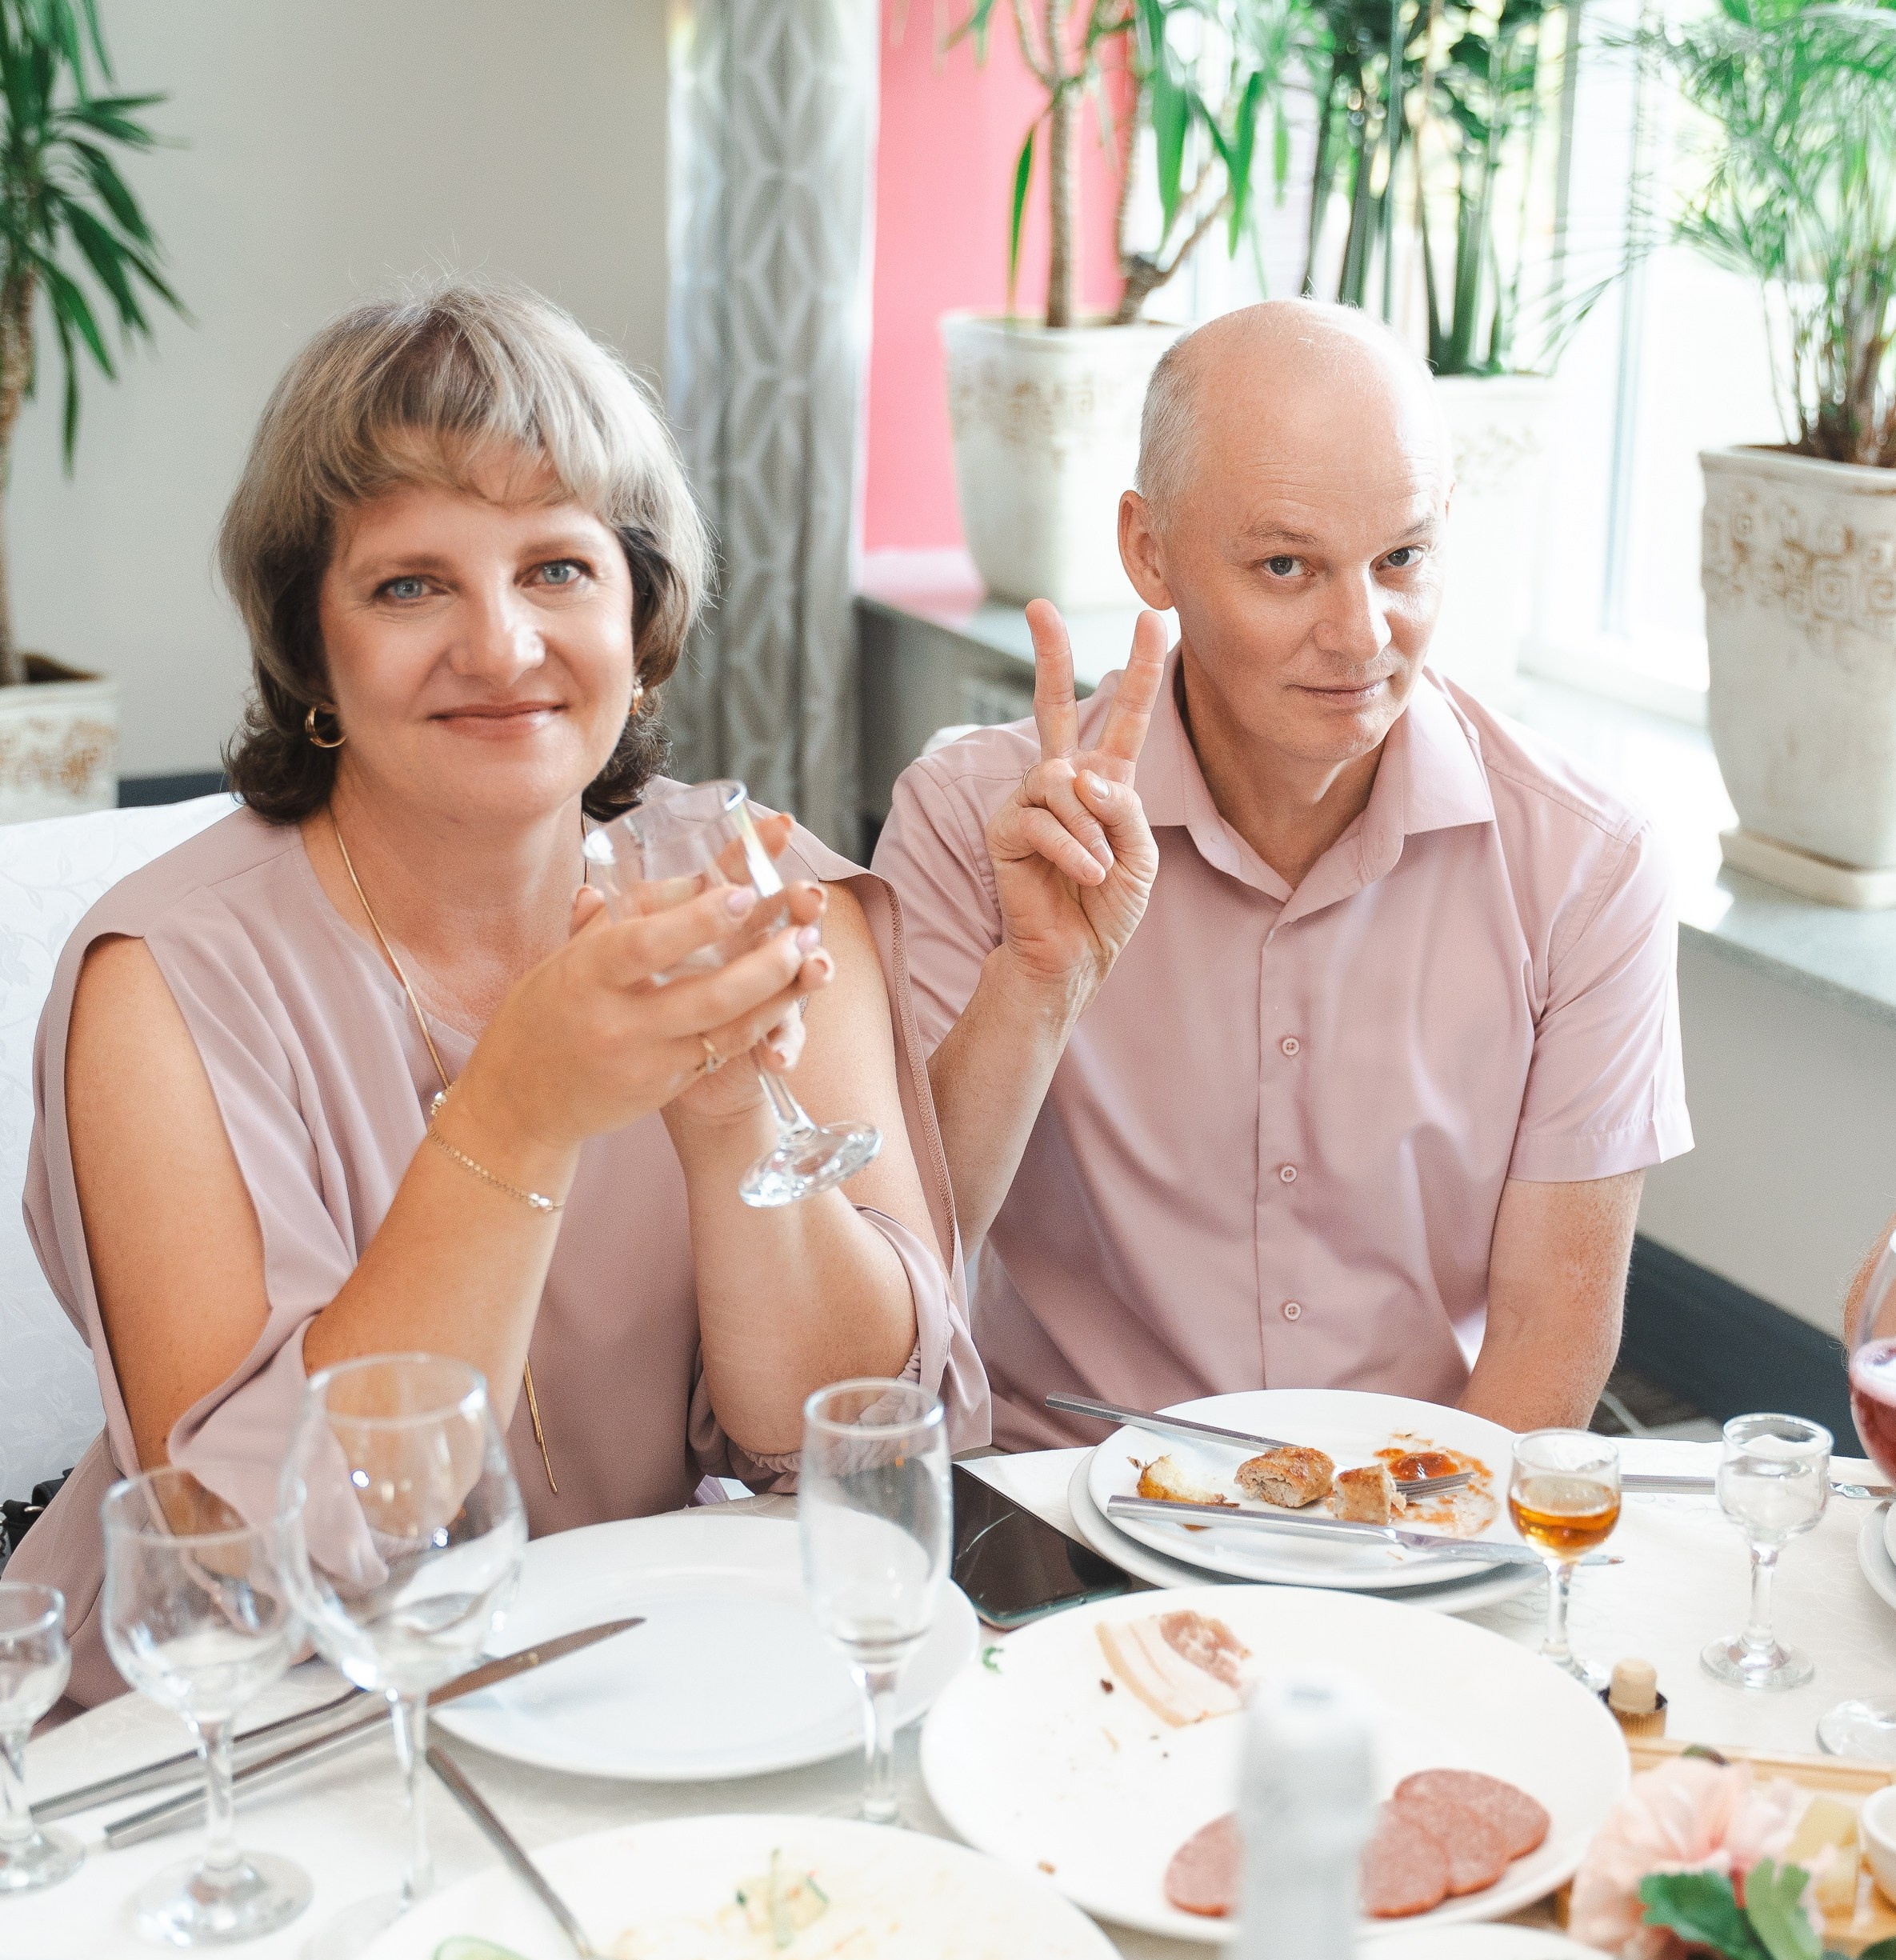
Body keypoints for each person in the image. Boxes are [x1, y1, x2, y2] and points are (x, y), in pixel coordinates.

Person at [15, 282, 984, 1702]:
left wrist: (731, 1121)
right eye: (410, 585)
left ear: (639, 613)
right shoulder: (161, 984)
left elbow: (847, 1442)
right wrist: (517, 1112)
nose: (501, 646)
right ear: (311, 645)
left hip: (618, 1680)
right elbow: (250, 1556)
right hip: (243, 1723)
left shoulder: (755, 892)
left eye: (557, 569)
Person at [874, 298, 1690, 1449]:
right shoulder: (972, 820)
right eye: (1286, 566)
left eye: (1401, 558)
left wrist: (1404, 1539)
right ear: (1149, 551)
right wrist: (1034, 984)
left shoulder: (1587, 865)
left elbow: (1549, 1341)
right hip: (1058, 1496)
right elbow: (899, 1269)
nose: (1362, 635)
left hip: (1416, 1501)